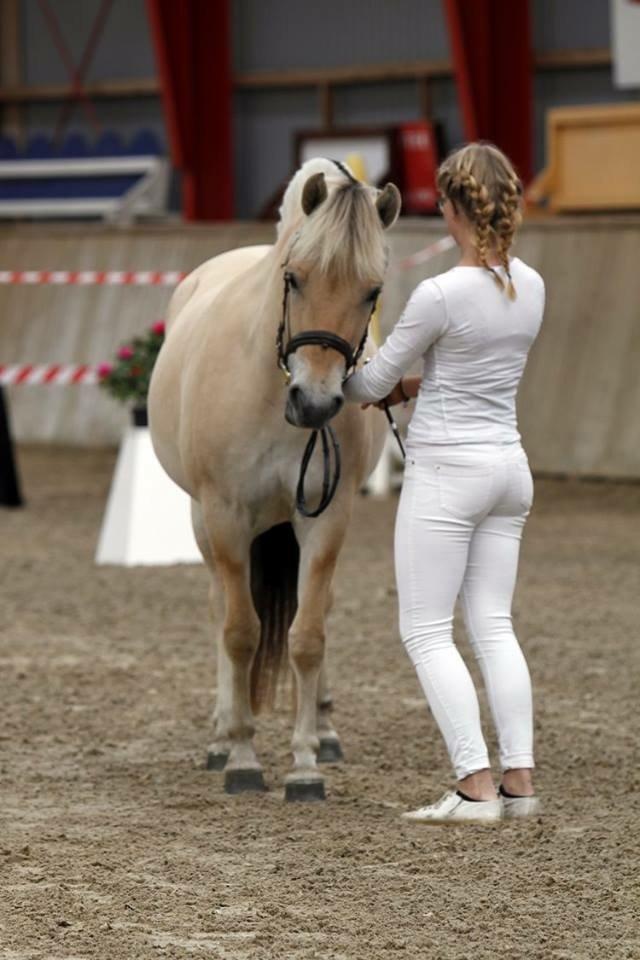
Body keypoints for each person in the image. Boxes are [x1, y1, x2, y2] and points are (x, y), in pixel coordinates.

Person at [344, 143, 545, 824]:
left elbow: (370, 382)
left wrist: (352, 382)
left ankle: (472, 786)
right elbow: (475, 370)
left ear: (453, 208)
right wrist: (416, 384)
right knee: (494, 625)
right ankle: (518, 780)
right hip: (509, 471)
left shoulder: (438, 293)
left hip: (447, 472)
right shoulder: (533, 285)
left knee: (426, 631)